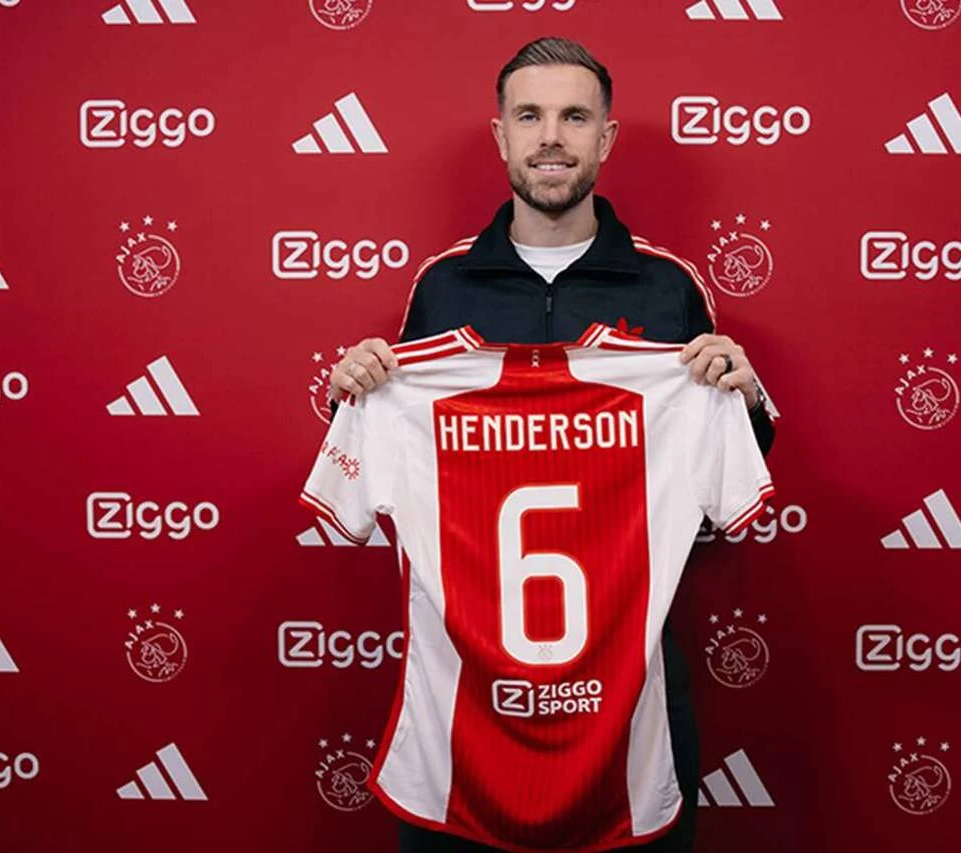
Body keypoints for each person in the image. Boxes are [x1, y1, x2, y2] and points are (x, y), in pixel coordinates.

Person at [328, 37, 776, 852]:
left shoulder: (668, 285)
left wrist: (745, 398)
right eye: (530, 116)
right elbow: (393, 459)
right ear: (500, 134)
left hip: (629, 688)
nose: (551, 137)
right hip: (465, 693)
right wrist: (356, 395)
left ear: (606, 136)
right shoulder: (443, 285)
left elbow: (728, 477)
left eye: (574, 117)